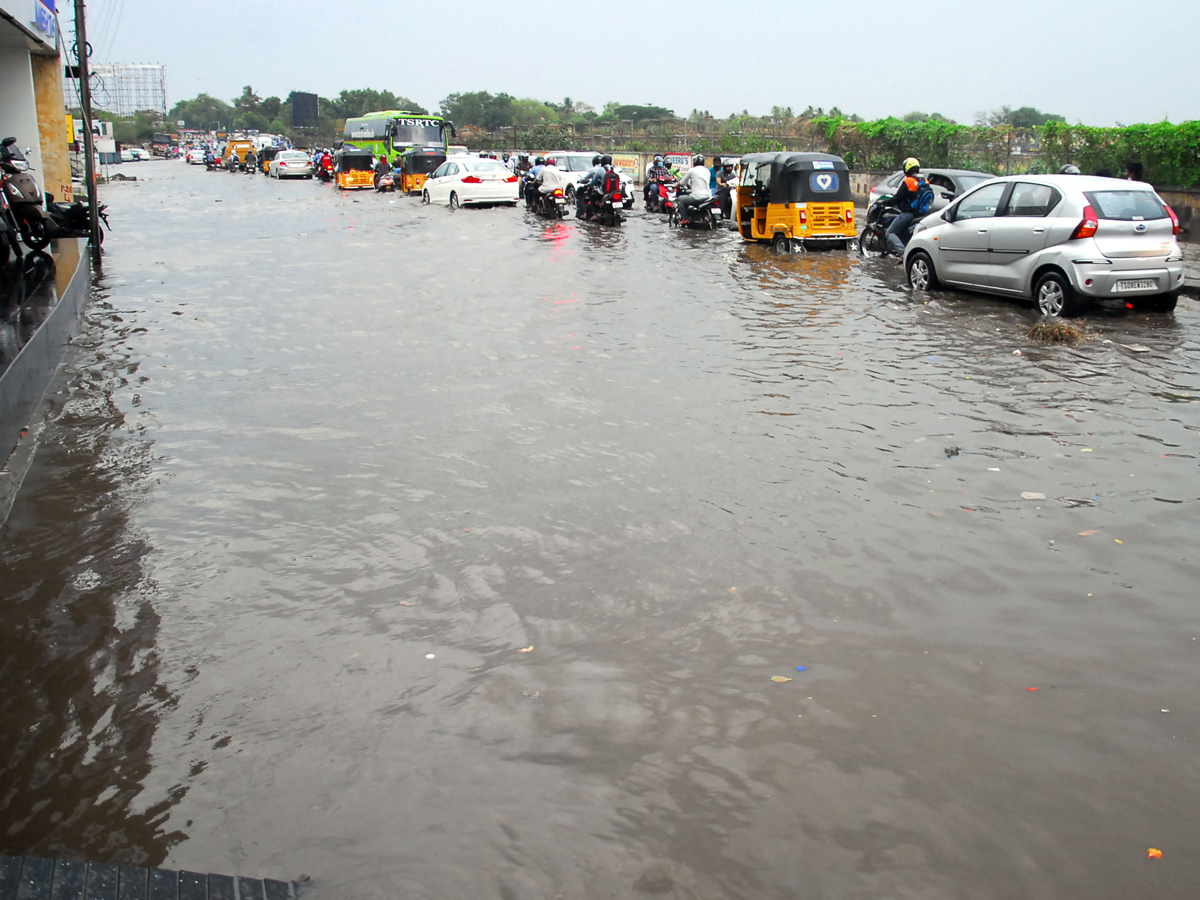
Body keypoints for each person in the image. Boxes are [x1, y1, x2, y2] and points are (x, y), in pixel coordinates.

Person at [884, 157, 924, 256]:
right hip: (922, 213)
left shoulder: (908, 181)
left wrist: (886, 203)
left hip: (908, 214)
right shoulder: (924, 180)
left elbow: (898, 197)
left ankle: (903, 253)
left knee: (890, 233)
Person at [676, 155, 712, 223]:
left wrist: (677, 185)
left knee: (680, 199)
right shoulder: (707, 171)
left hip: (697, 197)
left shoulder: (692, 170)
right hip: (708, 196)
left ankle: (685, 218)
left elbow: (683, 182)